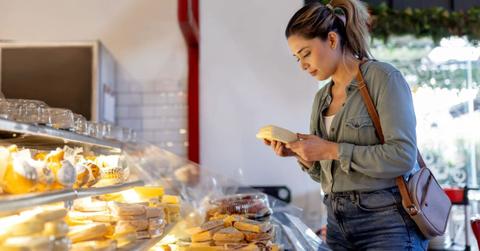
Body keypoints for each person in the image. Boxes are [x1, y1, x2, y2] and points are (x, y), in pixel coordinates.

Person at [263, 0, 429, 250]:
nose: (302, 65)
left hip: (387, 223)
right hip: (336, 222)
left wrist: (331, 149)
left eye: (306, 53)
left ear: (331, 39)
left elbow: (403, 156)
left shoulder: (383, 78)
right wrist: (304, 156)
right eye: (297, 58)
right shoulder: (321, 98)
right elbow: (326, 174)